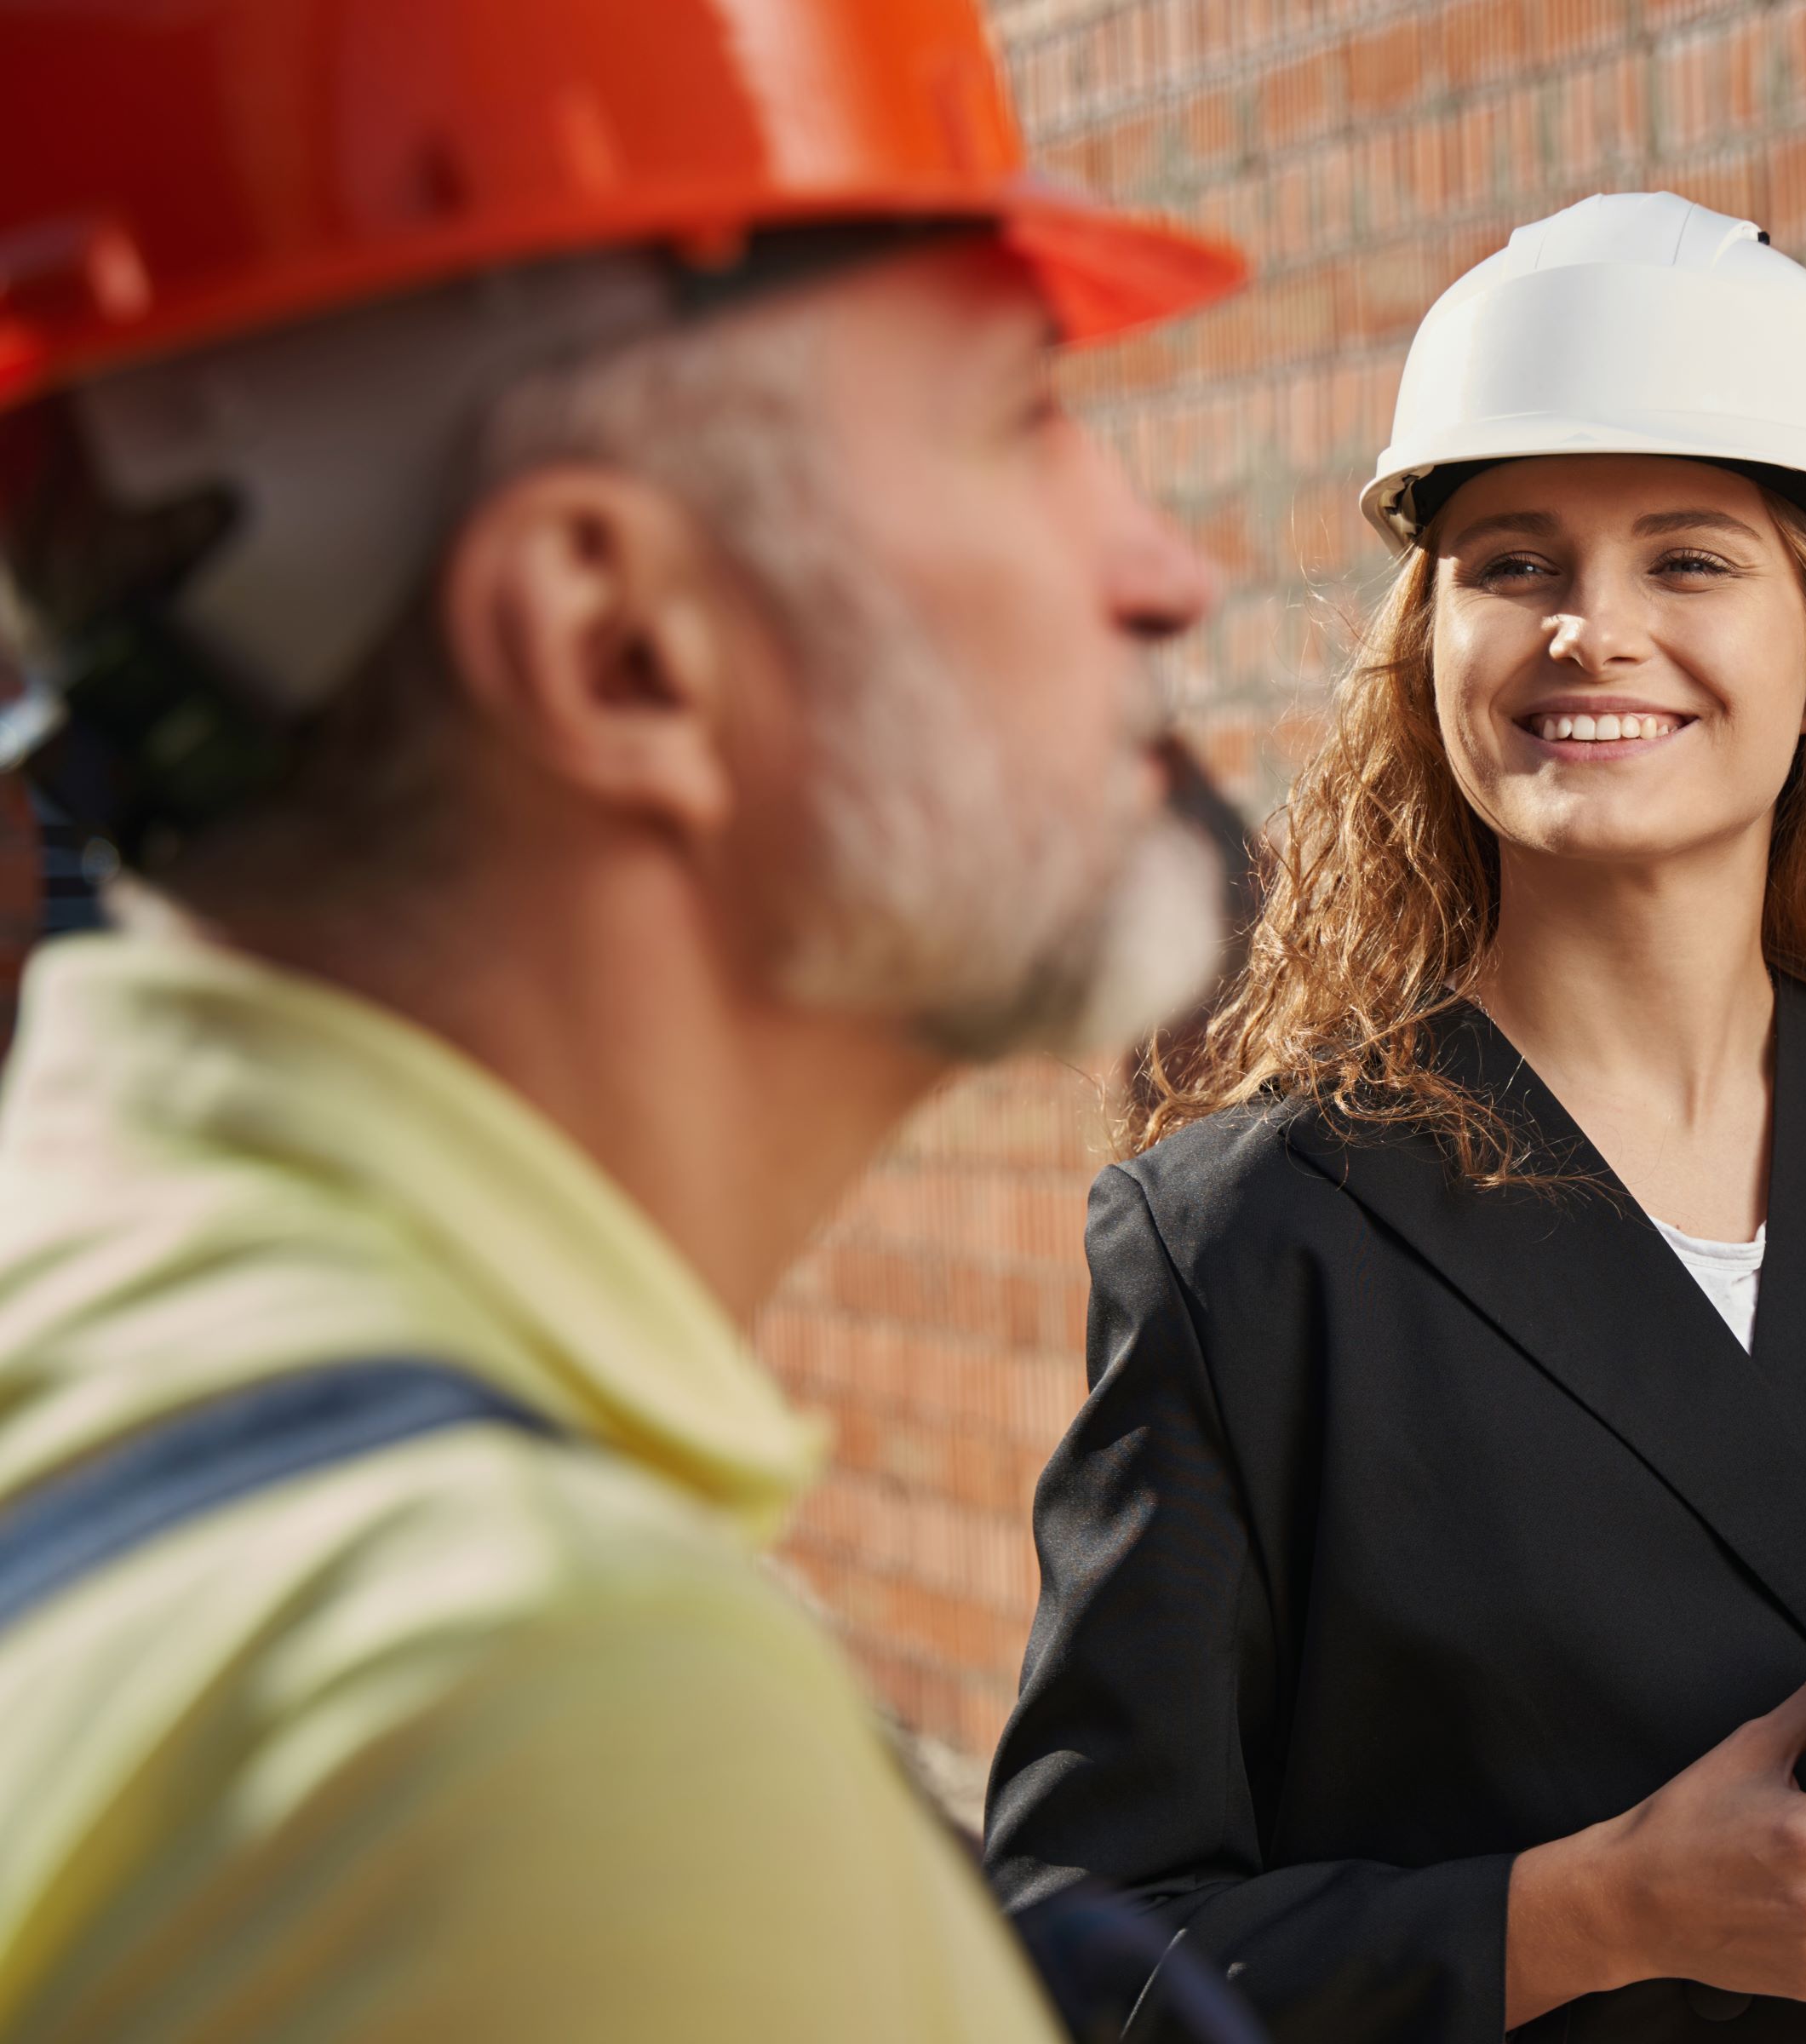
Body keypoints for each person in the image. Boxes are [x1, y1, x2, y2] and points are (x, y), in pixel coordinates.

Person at [0, 3, 1253, 2038]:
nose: (1160, 565)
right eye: (1023, 413)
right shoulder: (535, 1744)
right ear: (618, 647)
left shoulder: (103, 1351)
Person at [983, 192, 1806, 2041]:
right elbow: (1076, 1947)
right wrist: (1591, 1916)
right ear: (1428, 647)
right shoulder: (1249, 1241)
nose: (1593, 630)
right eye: (1515, 563)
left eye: (1689, 561)